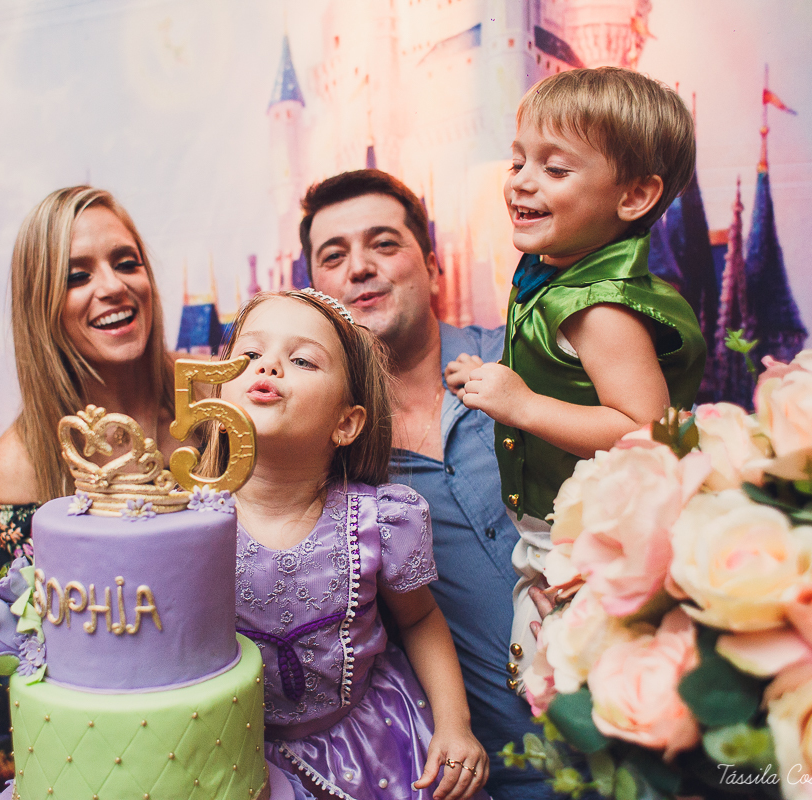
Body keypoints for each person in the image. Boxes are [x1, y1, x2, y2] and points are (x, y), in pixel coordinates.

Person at [451, 67, 706, 687]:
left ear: (634, 198)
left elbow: (644, 429)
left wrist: (523, 405)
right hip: (563, 535)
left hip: (595, 543)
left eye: (555, 169)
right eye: (518, 163)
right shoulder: (559, 277)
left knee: (560, 681)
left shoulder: (600, 309)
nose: (522, 183)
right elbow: (571, 376)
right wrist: (496, 378)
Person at [303, 169, 553, 800]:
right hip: (496, 774)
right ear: (315, 297)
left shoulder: (530, 366)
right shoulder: (318, 460)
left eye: (384, 244)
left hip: (649, 721)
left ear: (435, 269)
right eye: (334, 256)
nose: (360, 267)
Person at [209, 289, 489, 800]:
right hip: (238, 756)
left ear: (347, 423)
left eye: (302, 360)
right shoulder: (190, 525)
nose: (268, 366)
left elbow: (420, 619)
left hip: (378, 746)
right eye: (249, 355)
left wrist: (455, 724)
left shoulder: (382, 521)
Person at [0, 186, 186, 566]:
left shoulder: (216, 395)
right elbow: (21, 619)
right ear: (40, 305)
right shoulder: (20, 463)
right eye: (77, 277)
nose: (113, 287)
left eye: (127, 263)